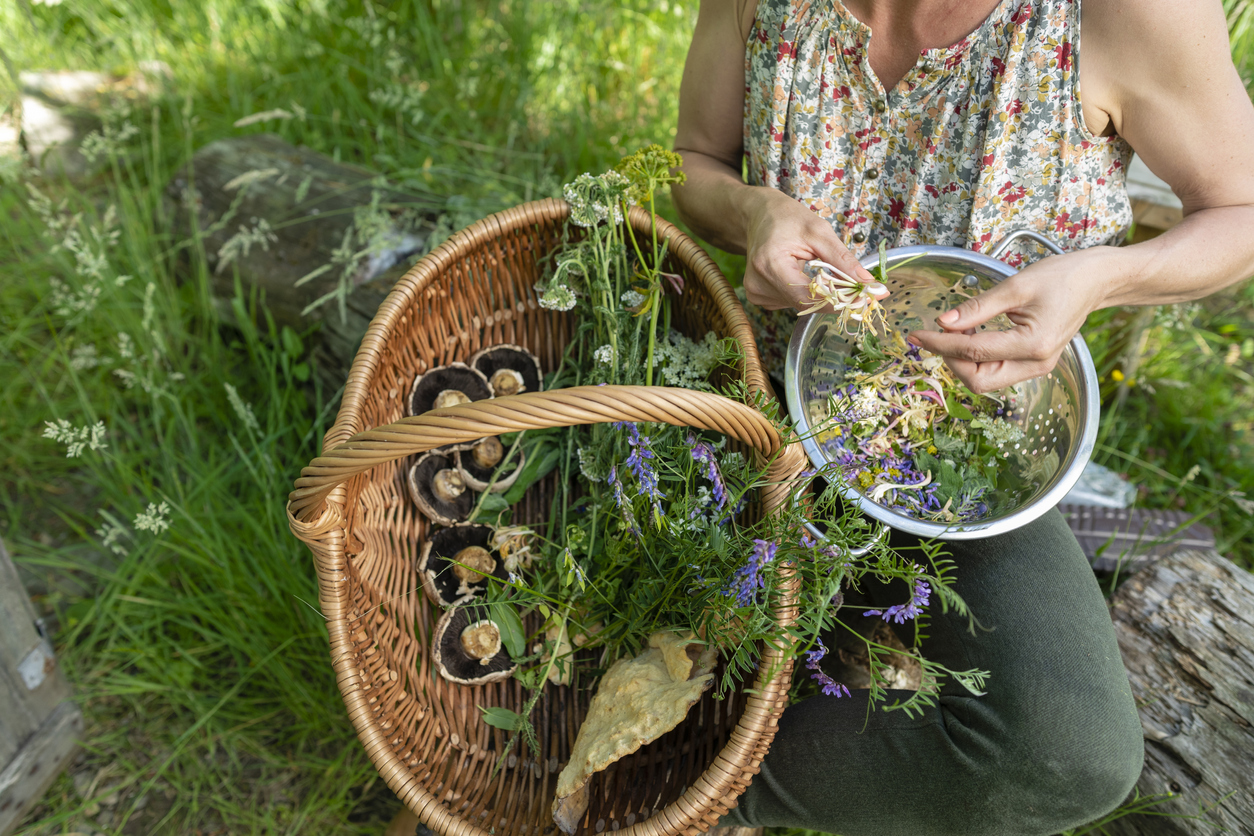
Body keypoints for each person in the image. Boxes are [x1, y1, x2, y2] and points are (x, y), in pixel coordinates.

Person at [671, 0, 1254, 834]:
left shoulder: (1125, 12)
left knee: (1066, 751)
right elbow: (692, 161)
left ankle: (705, 790)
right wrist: (750, 212)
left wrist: (1100, 277)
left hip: (964, 468)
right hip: (754, 406)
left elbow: (1241, 210)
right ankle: (658, 756)